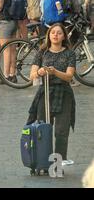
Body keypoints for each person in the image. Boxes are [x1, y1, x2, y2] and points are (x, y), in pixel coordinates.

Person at [28, 23, 76, 166]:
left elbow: (69, 76)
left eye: (59, 33)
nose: (55, 35)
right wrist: (39, 72)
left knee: (62, 129)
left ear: (64, 37)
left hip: (64, 93)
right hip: (45, 92)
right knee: (43, 126)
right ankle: (43, 157)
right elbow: (32, 75)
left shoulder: (70, 53)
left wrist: (55, 72)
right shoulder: (42, 52)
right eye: (53, 32)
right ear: (49, 35)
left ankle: (59, 159)